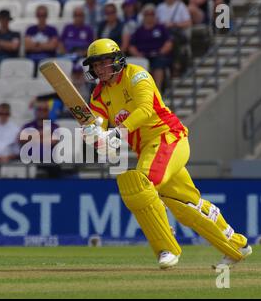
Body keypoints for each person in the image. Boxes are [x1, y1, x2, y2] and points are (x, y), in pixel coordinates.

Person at [81, 38, 252, 269]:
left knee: (139, 184)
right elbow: (101, 132)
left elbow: (145, 109)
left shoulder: (137, 75)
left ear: (117, 59)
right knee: (186, 206)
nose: (100, 69)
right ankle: (237, 246)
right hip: (147, 149)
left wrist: (115, 133)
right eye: (96, 65)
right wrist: (94, 136)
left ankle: (166, 247)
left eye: (104, 62)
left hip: (168, 138)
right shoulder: (98, 95)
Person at [128, 4, 173, 89]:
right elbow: (131, 46)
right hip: (142, 55)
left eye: (151, 14)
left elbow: (169, 43)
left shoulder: (161, 28)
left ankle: (157, 89)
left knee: (158, 64)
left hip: (157, 54)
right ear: (143, 16)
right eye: (147, 14)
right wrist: (137, 54)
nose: (149, 17)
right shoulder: (139, 30)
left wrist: (161, 51)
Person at [20, 101, 61, 178]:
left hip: (49, 162)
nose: (42, 112)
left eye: (44, 110)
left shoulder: (54, 126)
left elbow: (53, 141)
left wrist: (32, 138)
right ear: (35, 111)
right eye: (39, 109)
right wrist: (43, 135)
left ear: (48, 112)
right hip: (30, 161)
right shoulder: (28, 125)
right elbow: (21, 139)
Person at [156, 0, 192, 76]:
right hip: (163, 33)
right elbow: (156, 22)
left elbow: (188, 23)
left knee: (173, 40)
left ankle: (176, 64)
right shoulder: (160, 7)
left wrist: (174, 24)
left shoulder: (180, 6)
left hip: (177, 33)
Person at [25, 5, 58, 72]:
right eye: (39, 15)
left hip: (47, 58)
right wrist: (45, 45)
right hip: (31, 57)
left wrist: (36, 44)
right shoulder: (30, 29)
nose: (41, 17)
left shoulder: (52, 30)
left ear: (46, 16)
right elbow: (27, 46)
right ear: (36, 16)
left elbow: (52, 46)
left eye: (43, 15)